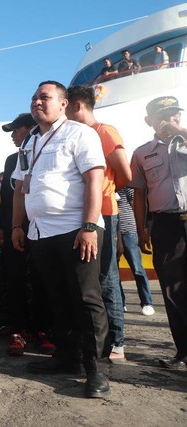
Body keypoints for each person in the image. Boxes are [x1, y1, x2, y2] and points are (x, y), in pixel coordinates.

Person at [11, 81, 110, 398]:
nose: (37, 102)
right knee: (56, 297)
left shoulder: (81, 134)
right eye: (34, 98)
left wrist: (89, 226)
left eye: (45, 97)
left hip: (76, 229)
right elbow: (20, 187)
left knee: (86, 298)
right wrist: (17, 226)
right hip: (40, 233)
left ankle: (95, 370)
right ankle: (66, 357)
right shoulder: (29, 143)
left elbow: (94, 179)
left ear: (64, 103)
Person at [66, 85, 132, 364]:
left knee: (106, 279)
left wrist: (104, 186)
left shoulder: (104, 131)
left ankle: (116, 341)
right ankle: (95, 340)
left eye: (66, 106)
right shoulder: (75, 134)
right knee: (89, 280)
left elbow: (126, 174)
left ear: (77, 105)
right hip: (83, 214)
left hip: (104, 211)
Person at [129, 96, 187, 370]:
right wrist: (142, 229)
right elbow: (139, 194)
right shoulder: (142, 152)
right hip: (166, 224)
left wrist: (180, 132)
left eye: (174, 114)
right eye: (163, 115)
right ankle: (184, 353)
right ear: (149, 120)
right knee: (174, 290)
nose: (170, 120)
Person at [0, 113, 54, 356]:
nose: (12, 136)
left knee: (41, 279)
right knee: (15, 277)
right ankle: (16, 330)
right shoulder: (12, 160)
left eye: (15, 130)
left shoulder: (47, 154)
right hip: (14, 230)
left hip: (42, 228)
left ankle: (42, 330)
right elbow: (10, 198)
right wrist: (4, 227)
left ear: (30, 129)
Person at [116, 187, 154, 315]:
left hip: (129, 232)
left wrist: (140, 230)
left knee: (137, 269)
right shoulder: (107, 185)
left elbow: (136, 207)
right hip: (112, 234)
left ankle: (147, 302)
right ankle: (120, 303)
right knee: (113, 272)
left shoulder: (127, 187)